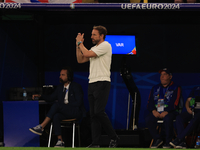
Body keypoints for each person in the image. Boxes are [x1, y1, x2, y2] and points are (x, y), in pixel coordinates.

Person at [75, 25, 119, 148]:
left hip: (102, 82)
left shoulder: (106, 45)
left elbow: (87, 54)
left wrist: (80, 43)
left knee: (99, 112)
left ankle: (114, 137)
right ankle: (96, 143)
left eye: (94, 34)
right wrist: (78, 44)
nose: (92, 36)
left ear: (101, 36)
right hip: (92, 83)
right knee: (93, 115)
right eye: (92, 34)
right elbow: (80, 59)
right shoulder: (94, 48)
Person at [29, 66, 85, 148]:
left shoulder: (76, 86)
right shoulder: (59, 88)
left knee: (57, 105)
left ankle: (41, 127)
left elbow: (79, 102)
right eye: (60, 75)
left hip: (75, 111)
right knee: (56, 116)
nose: (60, 76)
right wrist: (40, 96)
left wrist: (65, 106)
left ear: (68, 76)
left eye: (62, 75)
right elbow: (51, 98)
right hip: (65, 111)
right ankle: (60, 141)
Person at [145, 68, 182, 148]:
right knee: (148, 119)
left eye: (164, 74)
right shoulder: (155, 88)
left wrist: (166, 111)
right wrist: (153, 111)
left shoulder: (176, 87)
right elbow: (150, 102)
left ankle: (168, 141)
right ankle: (157, 139)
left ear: (170, 76)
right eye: (161, 75)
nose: (162, 77)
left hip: (171, 112)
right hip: (157, 112)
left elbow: (175, 102)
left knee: (168, 119)